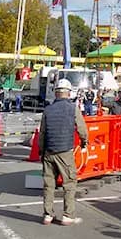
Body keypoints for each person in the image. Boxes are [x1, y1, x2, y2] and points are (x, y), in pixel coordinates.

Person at [38, 78, 88, 226]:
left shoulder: (47, 110)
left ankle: (48, 215)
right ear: (69, 93)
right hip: (65, 152)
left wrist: (42, 152)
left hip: (48, 151)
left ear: (56, 93)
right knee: (69, 183)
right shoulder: (73, 109)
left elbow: (42, 133)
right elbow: (82, 130)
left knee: (49, 184)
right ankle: (68, 215)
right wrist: (84, 143)